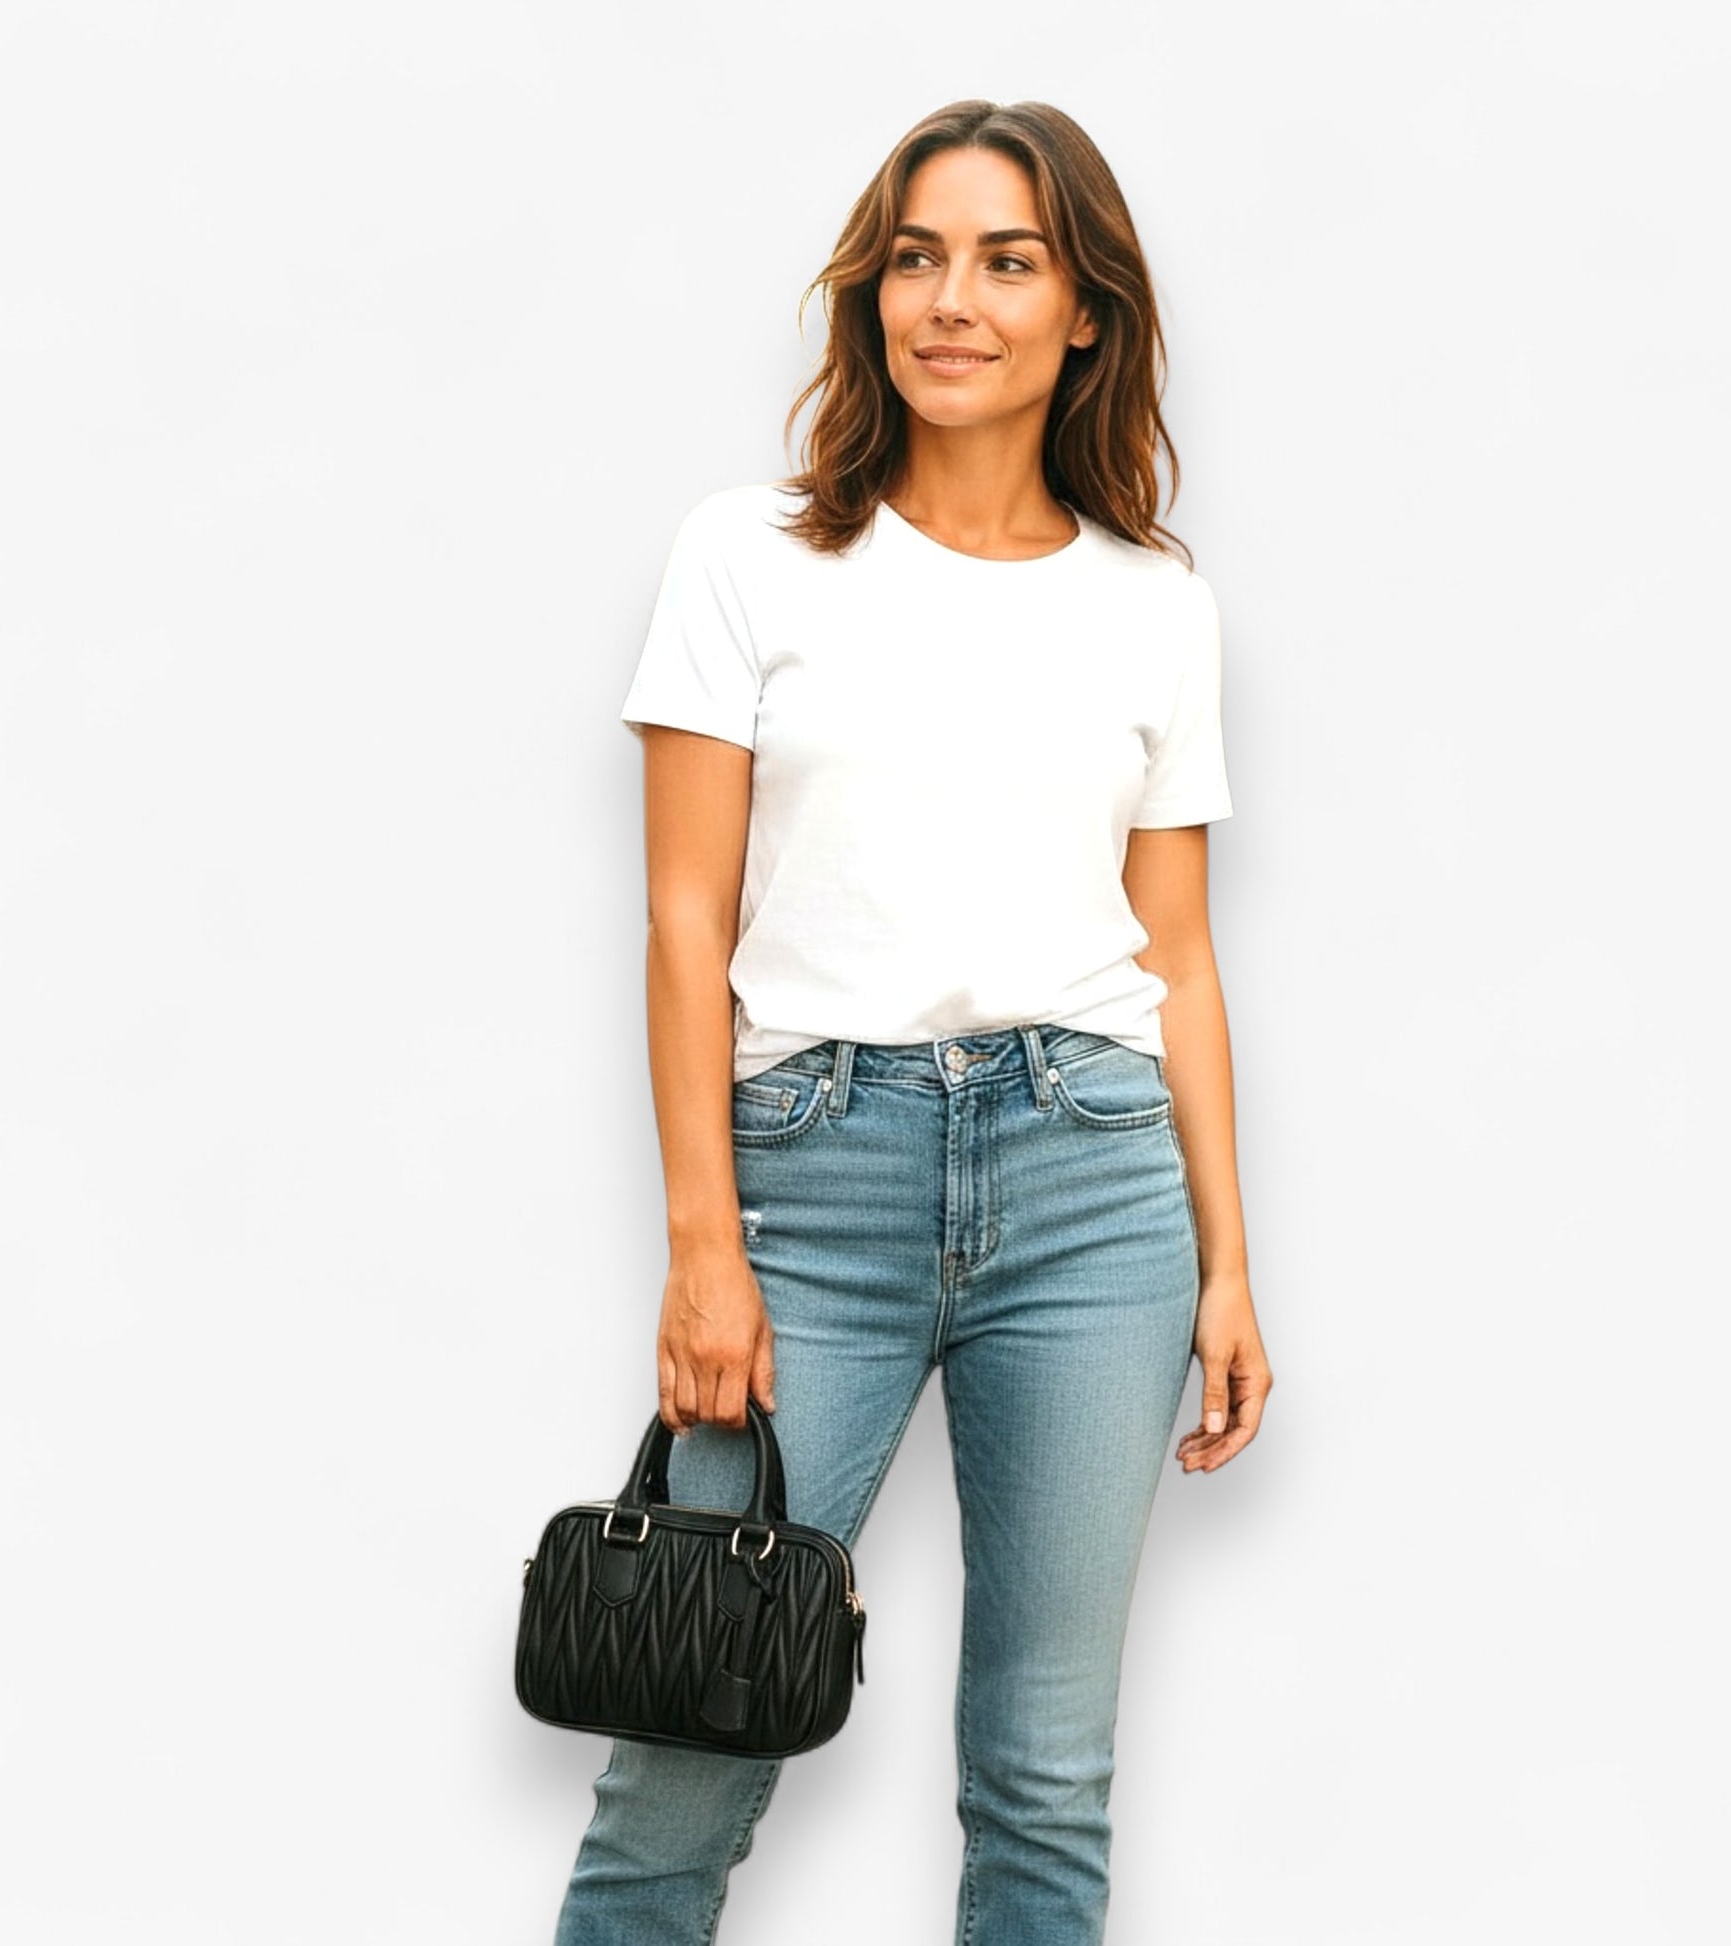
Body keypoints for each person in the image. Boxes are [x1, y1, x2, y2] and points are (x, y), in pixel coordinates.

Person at [554, 97, 1273, 1946]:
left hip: (1094, 1180)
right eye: (916, 255)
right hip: (818, 1176)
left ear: (1083, 311)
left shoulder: (1155, 602)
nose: (950, 299)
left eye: (1007, 260)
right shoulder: (750, 555)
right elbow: (681, 919)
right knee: (690, 1734)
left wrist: (1226, 1263)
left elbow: (1173, 948)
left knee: (1043, 1775)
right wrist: (702, 1247)